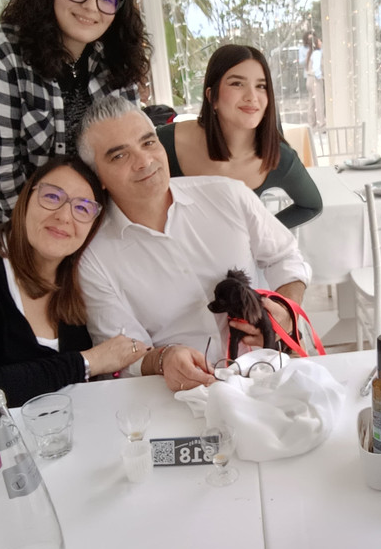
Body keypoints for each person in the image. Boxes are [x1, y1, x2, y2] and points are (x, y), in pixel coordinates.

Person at [76, 96, 312, 393]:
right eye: (119, 156)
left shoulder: (228, 195)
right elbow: (121, 353)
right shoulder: (93, 257)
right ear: (98, 178)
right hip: (179, 395)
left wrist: (286, 309)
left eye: (148, 143)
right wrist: (162, 359)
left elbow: (285, 256)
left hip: (269, 374)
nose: (144, 161)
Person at [0, 156, 150, 409]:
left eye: (83, 208)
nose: (64, 216)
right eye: (52, 197)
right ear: (26, 198)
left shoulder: (80, 276)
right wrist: (88, 362)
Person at [0, 0, 150, 234]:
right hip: (12, 227)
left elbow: (124, 153)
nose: (91, 6)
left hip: (87, 225)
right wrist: (44, 240)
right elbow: (0, 172)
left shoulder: (115, 60)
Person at [157, 44, 322, 229]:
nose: (252, 96)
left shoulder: (280, 157)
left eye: (261, 86)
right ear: (212, 96)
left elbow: (311, 206)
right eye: (237, 84)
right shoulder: (164, 143)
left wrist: (260, 233)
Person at [301, 31, 325, 129]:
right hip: (315, 79)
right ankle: (321, 124)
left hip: (309, 79)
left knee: (312, 103)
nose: (321, 42)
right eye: (319, 41)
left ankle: (312, 123)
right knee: (319, 102)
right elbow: (316, 68)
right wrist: (321, 77)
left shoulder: (310, 53)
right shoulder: (317, 53)